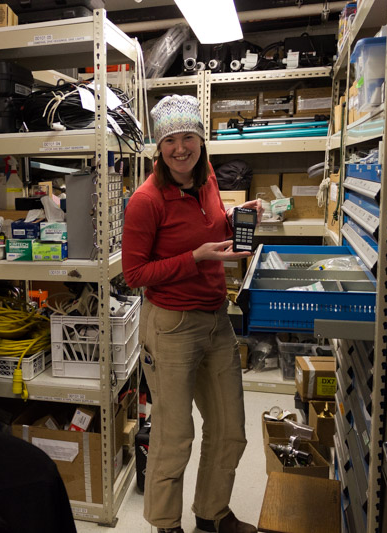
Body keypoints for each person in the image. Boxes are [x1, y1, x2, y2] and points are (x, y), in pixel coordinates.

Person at [122, 94, 262, 533]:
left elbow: (211, 226)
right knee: (174, 434)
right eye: (170, 140)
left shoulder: (207, 177)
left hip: (216, 319)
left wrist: (236, 219)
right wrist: (195, 258)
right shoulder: (146, 200)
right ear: (159, 147)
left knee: (229, 428)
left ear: (201, 140)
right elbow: (134, 274)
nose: (180, 148)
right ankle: (166, 525)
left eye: (188, 137)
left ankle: (211, 514)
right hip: (172, 326)